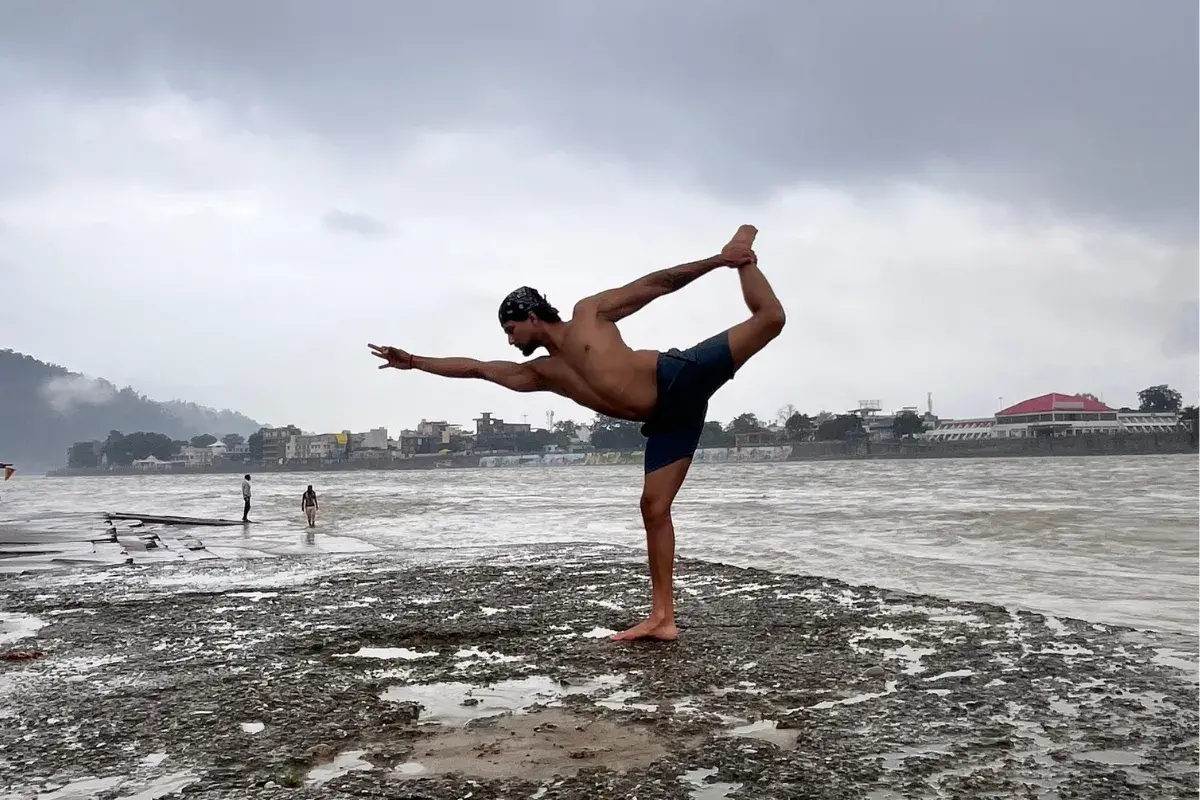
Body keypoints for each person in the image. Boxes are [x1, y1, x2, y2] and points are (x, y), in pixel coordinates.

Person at [368, 225, 785, 642]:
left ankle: (740, 249)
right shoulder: (542, 374)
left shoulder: (591, 313)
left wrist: (719, 261)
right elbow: (477, 367)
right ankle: (663, 619)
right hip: (670, 422)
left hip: (681, 376)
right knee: (653, 509)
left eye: (511, 330)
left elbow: (655, 285)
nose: (510, 341)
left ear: (531, 316)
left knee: (770, 319)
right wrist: (415, 361)